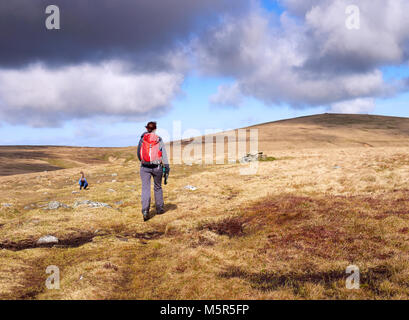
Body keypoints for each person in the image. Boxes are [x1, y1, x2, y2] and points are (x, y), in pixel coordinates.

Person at [137, 121, 170, 221]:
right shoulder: (159, 139)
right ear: (155, 129)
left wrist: (143, 162)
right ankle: (159, 209)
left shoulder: (142, 139)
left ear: (147, 128)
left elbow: (139, 153)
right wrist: (167, 167)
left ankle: (145, 210)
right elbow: (163, 154)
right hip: (157, 167)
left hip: (144, 167)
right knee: (157, 187)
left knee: (145, 188)